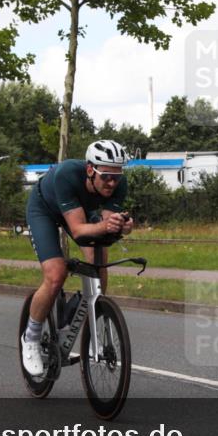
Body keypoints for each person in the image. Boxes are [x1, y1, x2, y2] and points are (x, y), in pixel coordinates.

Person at [21, 140, 135, 376]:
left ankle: (88, 328)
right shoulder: (67, 174)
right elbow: (78, 230)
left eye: (116, 177)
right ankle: (30, 338)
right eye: (106, 176)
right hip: (44, 210)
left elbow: (107, 225)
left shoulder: (118, 184)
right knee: (56, 274)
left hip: (80, 211)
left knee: (99, 264)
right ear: (90, 169)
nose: (112, 183)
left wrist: (121, 227)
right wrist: (106, 226)